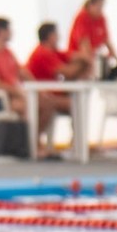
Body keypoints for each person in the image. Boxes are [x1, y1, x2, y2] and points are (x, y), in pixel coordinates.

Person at [0, 17, 56, 158]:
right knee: (27, 106)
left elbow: (21, 72)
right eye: (9, 29)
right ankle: (31, 147)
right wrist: (17, 92)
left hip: (14, 95)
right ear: (1, 31)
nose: (12, 32)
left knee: (47, 104)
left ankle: (34, 142)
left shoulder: (7, 52)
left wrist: (39, 89)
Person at [25, 22, 89, 155]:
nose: (59, 37)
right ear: (51, 36)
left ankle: (78, 143)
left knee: (77, 102)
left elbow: (73, 56)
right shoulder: (43, 53)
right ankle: (33, 141)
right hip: (41, 96)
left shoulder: (53, 52)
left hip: (51, 94)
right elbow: (68, 72)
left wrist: (84, 58)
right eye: (56, 34)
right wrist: (83, 65)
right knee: (72, 104)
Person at [67, 0, 116, 76]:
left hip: (92, 57)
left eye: (102, 7)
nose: (100, 9)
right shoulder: (82, 17)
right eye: (98, 6)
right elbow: (84, 44)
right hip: (79, 58)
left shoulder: (101, 18)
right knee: (86, 67)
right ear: (91, 5)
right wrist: (92, 64)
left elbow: (107, 41)